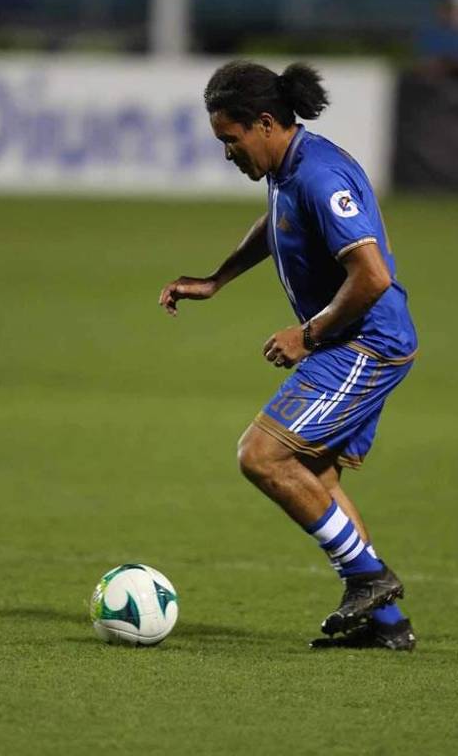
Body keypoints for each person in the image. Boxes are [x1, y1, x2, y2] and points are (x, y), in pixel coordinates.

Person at [158, 61, 418, 651]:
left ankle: (370, 578)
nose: (228, 152)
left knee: (262, 455)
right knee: (313, 475)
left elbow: (372, 275)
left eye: (231, 139)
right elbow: (275, 224)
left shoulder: (321, 177)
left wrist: (310, 332)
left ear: (266, 123)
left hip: (364, 343)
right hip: (349, 340)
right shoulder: (289, 169)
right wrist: (217, 279)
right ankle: (384, 625)